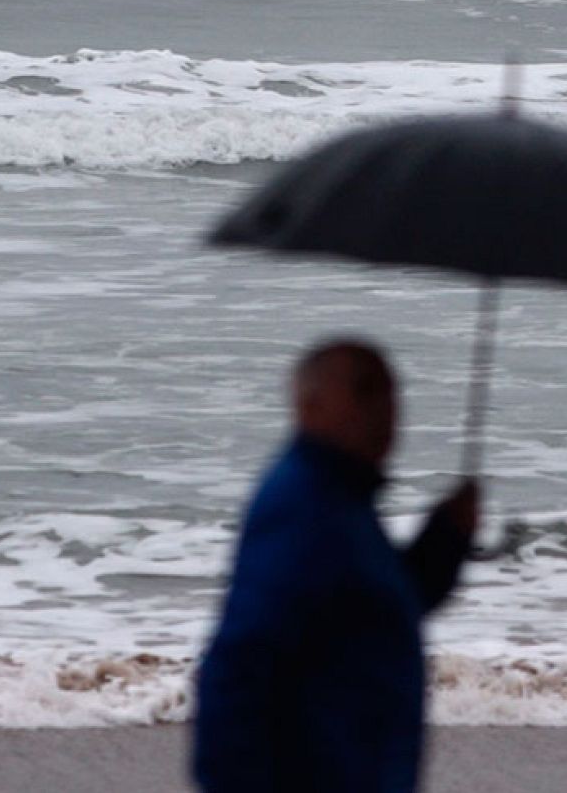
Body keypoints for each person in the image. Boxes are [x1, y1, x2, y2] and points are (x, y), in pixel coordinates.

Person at [194, 338, 479, 793]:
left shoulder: (344, 501)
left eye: (391, 392)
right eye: (366, 391)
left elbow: (377, 614)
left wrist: (445, 538)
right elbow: (236, 668)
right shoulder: (303, 507)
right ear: (310, 405)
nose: (386, 409)